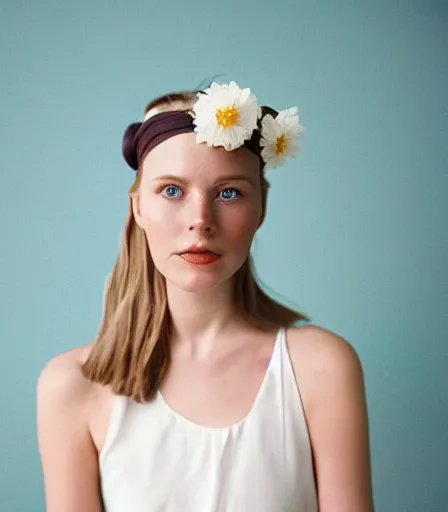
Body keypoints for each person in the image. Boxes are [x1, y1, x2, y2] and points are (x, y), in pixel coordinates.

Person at [36, 81, 374, 511]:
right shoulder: (72, 386)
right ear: (139, 207)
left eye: (228, 192)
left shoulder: (320, 369)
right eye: (172, 190)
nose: (200, 220)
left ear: (261, 209)